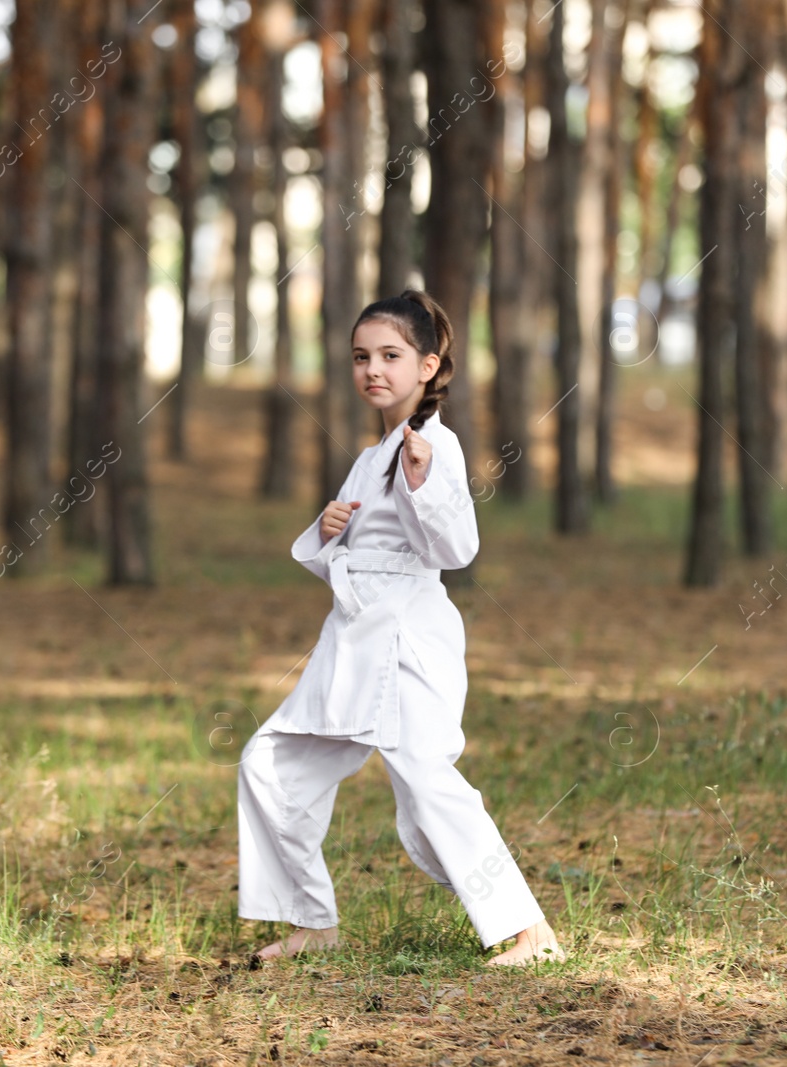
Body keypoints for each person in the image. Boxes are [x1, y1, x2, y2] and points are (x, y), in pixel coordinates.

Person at [236, 289, 565, 967]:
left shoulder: (431, 446)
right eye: (361, 357)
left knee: (425, 781)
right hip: (352, 637)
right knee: (271, 762)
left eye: (390, 355)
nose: (372, 370)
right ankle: (311, 920)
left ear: (428, 364)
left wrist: (421, 482)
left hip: (407, 638)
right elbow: (354, 562)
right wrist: (329, 533)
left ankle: (529, 931)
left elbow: (456, 550)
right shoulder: (370, 454)